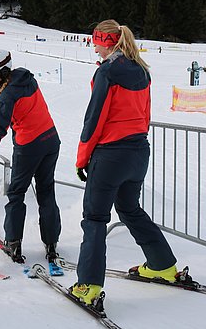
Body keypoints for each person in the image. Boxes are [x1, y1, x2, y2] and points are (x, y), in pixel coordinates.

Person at [71, 20, 178, 305]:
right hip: (139, 150)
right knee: (130, 208)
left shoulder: (106, 72)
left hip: (110, 154)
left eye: (94, 41)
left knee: (94, 217)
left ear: (105, 42)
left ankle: (88, 286)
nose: (93, 47)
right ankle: (163, 264)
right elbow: (144, 115)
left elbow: (95, 119)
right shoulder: (141, 70)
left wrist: (82, 157)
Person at [0, 49, 62, 264]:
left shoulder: (7, 94)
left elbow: (0, 127)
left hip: (29, 147)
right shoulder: (27, 78)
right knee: (46, 191)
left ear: (3, 73)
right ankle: (51, 243)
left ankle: (14, 242)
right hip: (51, 140)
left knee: (16, 194)